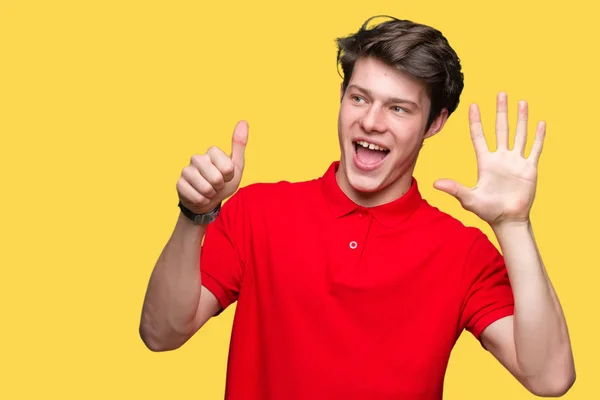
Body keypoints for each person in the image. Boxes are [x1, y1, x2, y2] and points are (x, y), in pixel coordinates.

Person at [139, 15, 575, 399]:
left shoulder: (463, 253)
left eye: (398, 108)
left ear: (434, 124)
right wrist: (195, 215)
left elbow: (550, 378)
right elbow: (160, 334)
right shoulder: (258, 211)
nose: (371, 121)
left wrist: (514, 224)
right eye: (360, 97)